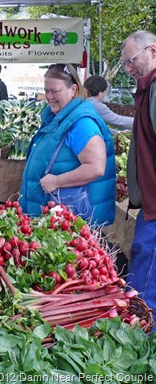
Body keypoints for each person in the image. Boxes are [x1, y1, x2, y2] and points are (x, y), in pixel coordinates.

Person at [19, 64, 116, 227]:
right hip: (54, 218)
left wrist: (56, 181)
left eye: (55, 91)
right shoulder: (58, 117)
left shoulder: (82, 123)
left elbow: (95, 168)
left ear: (73, 89)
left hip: (70, 222)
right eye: (46, 90)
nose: (49, 96)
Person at [120, 31, 156, 326]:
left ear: (152, 50)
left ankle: (141, 341)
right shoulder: (147, 88)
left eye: (131, 61)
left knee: (145, 276)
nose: (128, 68)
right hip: (150, 199)